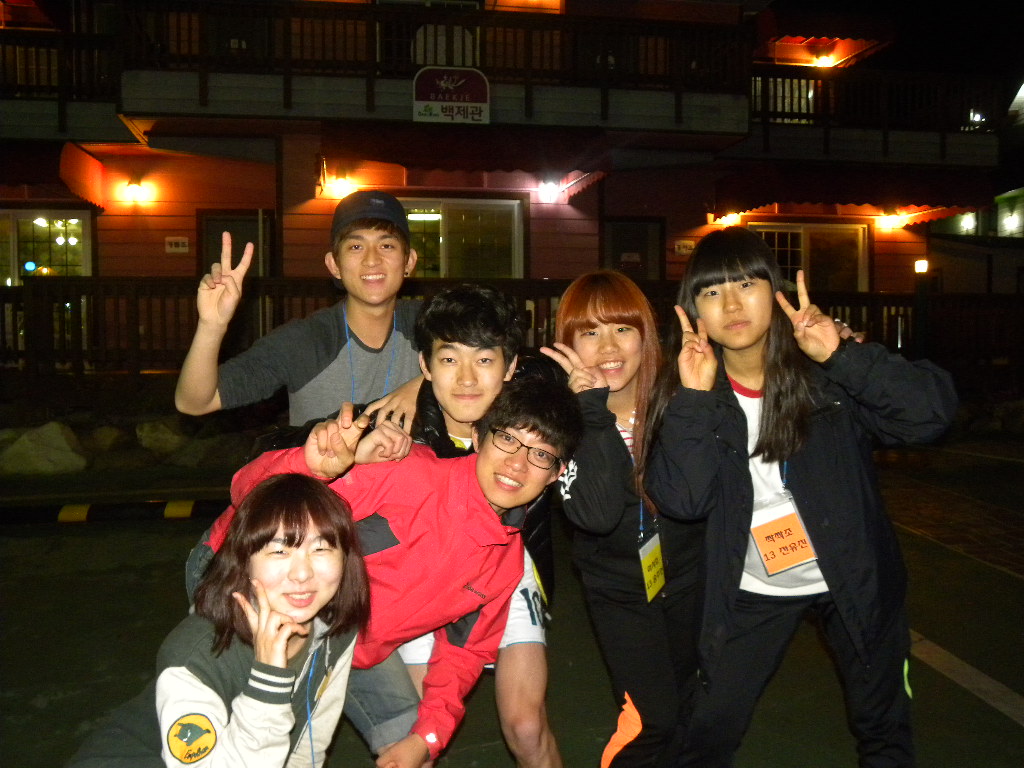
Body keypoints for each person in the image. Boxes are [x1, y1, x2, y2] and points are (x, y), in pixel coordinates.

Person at [645, 226, 958, 767]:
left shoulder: (827, 375)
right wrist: (693, 399)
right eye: (712, 291)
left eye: (747, 284)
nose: (732, 305)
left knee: (884, 731)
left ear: (776, 291)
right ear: (693, 309)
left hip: (854, 577)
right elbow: (684, 501)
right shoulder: (690, 391)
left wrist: (841, 355)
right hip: (751, 584)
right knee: (707, 730)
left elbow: (931, 415)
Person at [193, 376, 583, 768]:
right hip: (243, 576)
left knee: (415, 752)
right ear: (479, 437)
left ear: (556, 473)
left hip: (348, 638)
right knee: (256, 744)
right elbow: (247, 494)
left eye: (540, 454)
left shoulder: (504, 564)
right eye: (508, 439)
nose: (517, 463)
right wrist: (311, 466)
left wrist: (427, 737)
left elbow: (463, 656)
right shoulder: (407, 474)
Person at [67, 473, 371, 768]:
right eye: (279, 551)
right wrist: (269, 681)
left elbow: (309, 740)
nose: (302, 574)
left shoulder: (333, 626)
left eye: (321, 548)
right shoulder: (195, 656)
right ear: (244, 561)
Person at [539, 271, 705, 767]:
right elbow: (595, 513)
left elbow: (696, 498)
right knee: (651, 721)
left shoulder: (681, 398)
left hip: (691, 580)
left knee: (689, 709)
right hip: (618, 592)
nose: (608, 347)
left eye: (622, 329)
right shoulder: (562, 421)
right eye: (589, 332)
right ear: (568, 343)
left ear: (645, 335)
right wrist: (591, 412)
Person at [404, 284, 564, 768]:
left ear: (510, 367)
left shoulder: (532, 418)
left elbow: (549, 369)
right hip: (421, 578)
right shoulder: (399, 430)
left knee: (527, 726)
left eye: (485, 359)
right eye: (449, 359)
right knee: (418, 735)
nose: (468, 378)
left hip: (507, 572)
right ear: (426, 365)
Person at [174, 190, 424, 427]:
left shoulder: (430, 323)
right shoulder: (305, 341)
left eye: (386, 245)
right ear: (334, 265)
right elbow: (195, 402)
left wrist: (422, 386)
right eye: (356, 247)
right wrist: (211, 325)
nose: (372, 260)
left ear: (409, 261)